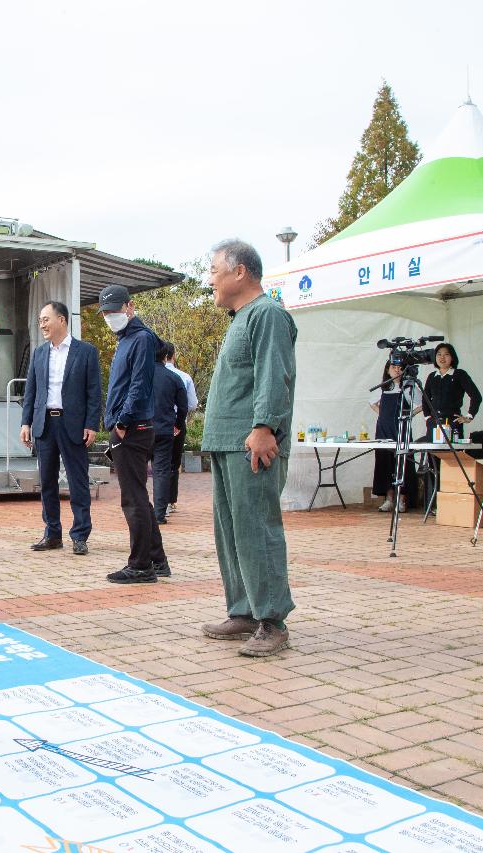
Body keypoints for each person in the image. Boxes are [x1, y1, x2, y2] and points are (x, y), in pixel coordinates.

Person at [199, 239, 297, 658]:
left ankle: (271, 620)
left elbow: (274, 375)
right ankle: (243, 610)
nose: (210, 280)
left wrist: (264, 426)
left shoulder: (268, 314)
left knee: (257, 528)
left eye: (215, 271)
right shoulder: (239, 317)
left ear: (241, 272)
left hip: (252, 443)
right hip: (225, 444)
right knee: (231, 531)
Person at [97, 284, 171, 583]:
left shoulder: (140, 339)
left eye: (114, 310)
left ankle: (141, 566)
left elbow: (138, 385)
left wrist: (123, 422)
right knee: (139, 496)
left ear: (129, 306)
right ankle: (157, 560)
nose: (109, 316)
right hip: (130, 425)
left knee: (133, 499)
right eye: (105, 312)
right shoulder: (126, 338)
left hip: (133, 427)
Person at [20, 300, 102, 556]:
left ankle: (80, 535)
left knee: (78, 482)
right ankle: (52, 533)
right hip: (45, 425)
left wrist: (91, 424)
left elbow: (93, 392)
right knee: (47, 482)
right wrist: (26, 422)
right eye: (40, 320)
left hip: (74, 425)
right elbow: (31, 390)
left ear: (62, 320)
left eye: (46, 319)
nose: (42, 324)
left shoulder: (85, 352)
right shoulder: (40, 353)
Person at [369, 358, 421, 513]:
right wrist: (383, 415)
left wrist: (409, 415)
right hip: (384, 430)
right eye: (393, 367)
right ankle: (389, 499)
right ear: (387, 369)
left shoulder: (408, 386)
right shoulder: (383, 387)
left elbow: (422, 403)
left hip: (401, 429)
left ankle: (402, 500)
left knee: (403, 462)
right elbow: (372, 403)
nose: (397, 370)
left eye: (400, 367)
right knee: (385, 462)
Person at [151, 343, 189, 524]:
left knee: (136, 472)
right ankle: (159, 514)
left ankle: (139, 510)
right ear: (166, 356)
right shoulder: (174, 378)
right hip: (165, 430)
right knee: (161, 471)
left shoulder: (140, 376)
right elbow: (183, 406)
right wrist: (178, 424)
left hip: (141, 430)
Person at [162, 342, 198, 515]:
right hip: (177, 423)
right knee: (173, 462)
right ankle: (170, 500)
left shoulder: (150, 375)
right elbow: (191, 404)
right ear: (173, 355)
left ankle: (159, 501)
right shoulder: (183, 377)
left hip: (156, 423)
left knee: (158, 463)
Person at [422, 343, 481, 439]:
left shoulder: (459, 374)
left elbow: (476, 396)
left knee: (452, 453)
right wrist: (427, 417)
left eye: (446, 354)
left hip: (452, 423)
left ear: (452, 357)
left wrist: (469, 416)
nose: (442, 357)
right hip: (433, 424)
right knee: (434, 453)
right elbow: (425, 399)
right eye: (439, 354)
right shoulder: (432, 376)